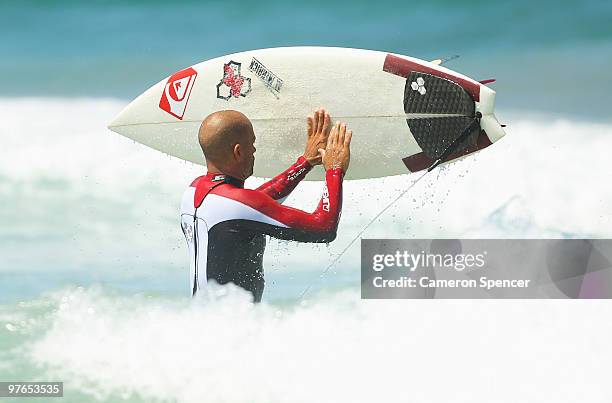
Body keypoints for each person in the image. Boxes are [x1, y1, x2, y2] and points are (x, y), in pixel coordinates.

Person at [180, 108, 352, 302]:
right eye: (252, 144)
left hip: (201, 323)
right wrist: (335, 170)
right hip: (234, 328)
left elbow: (254, 203)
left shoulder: (193, 191)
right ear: (238, 151)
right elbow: (324, 228)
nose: (254, 150)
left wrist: (305, 163)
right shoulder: (238, 207)